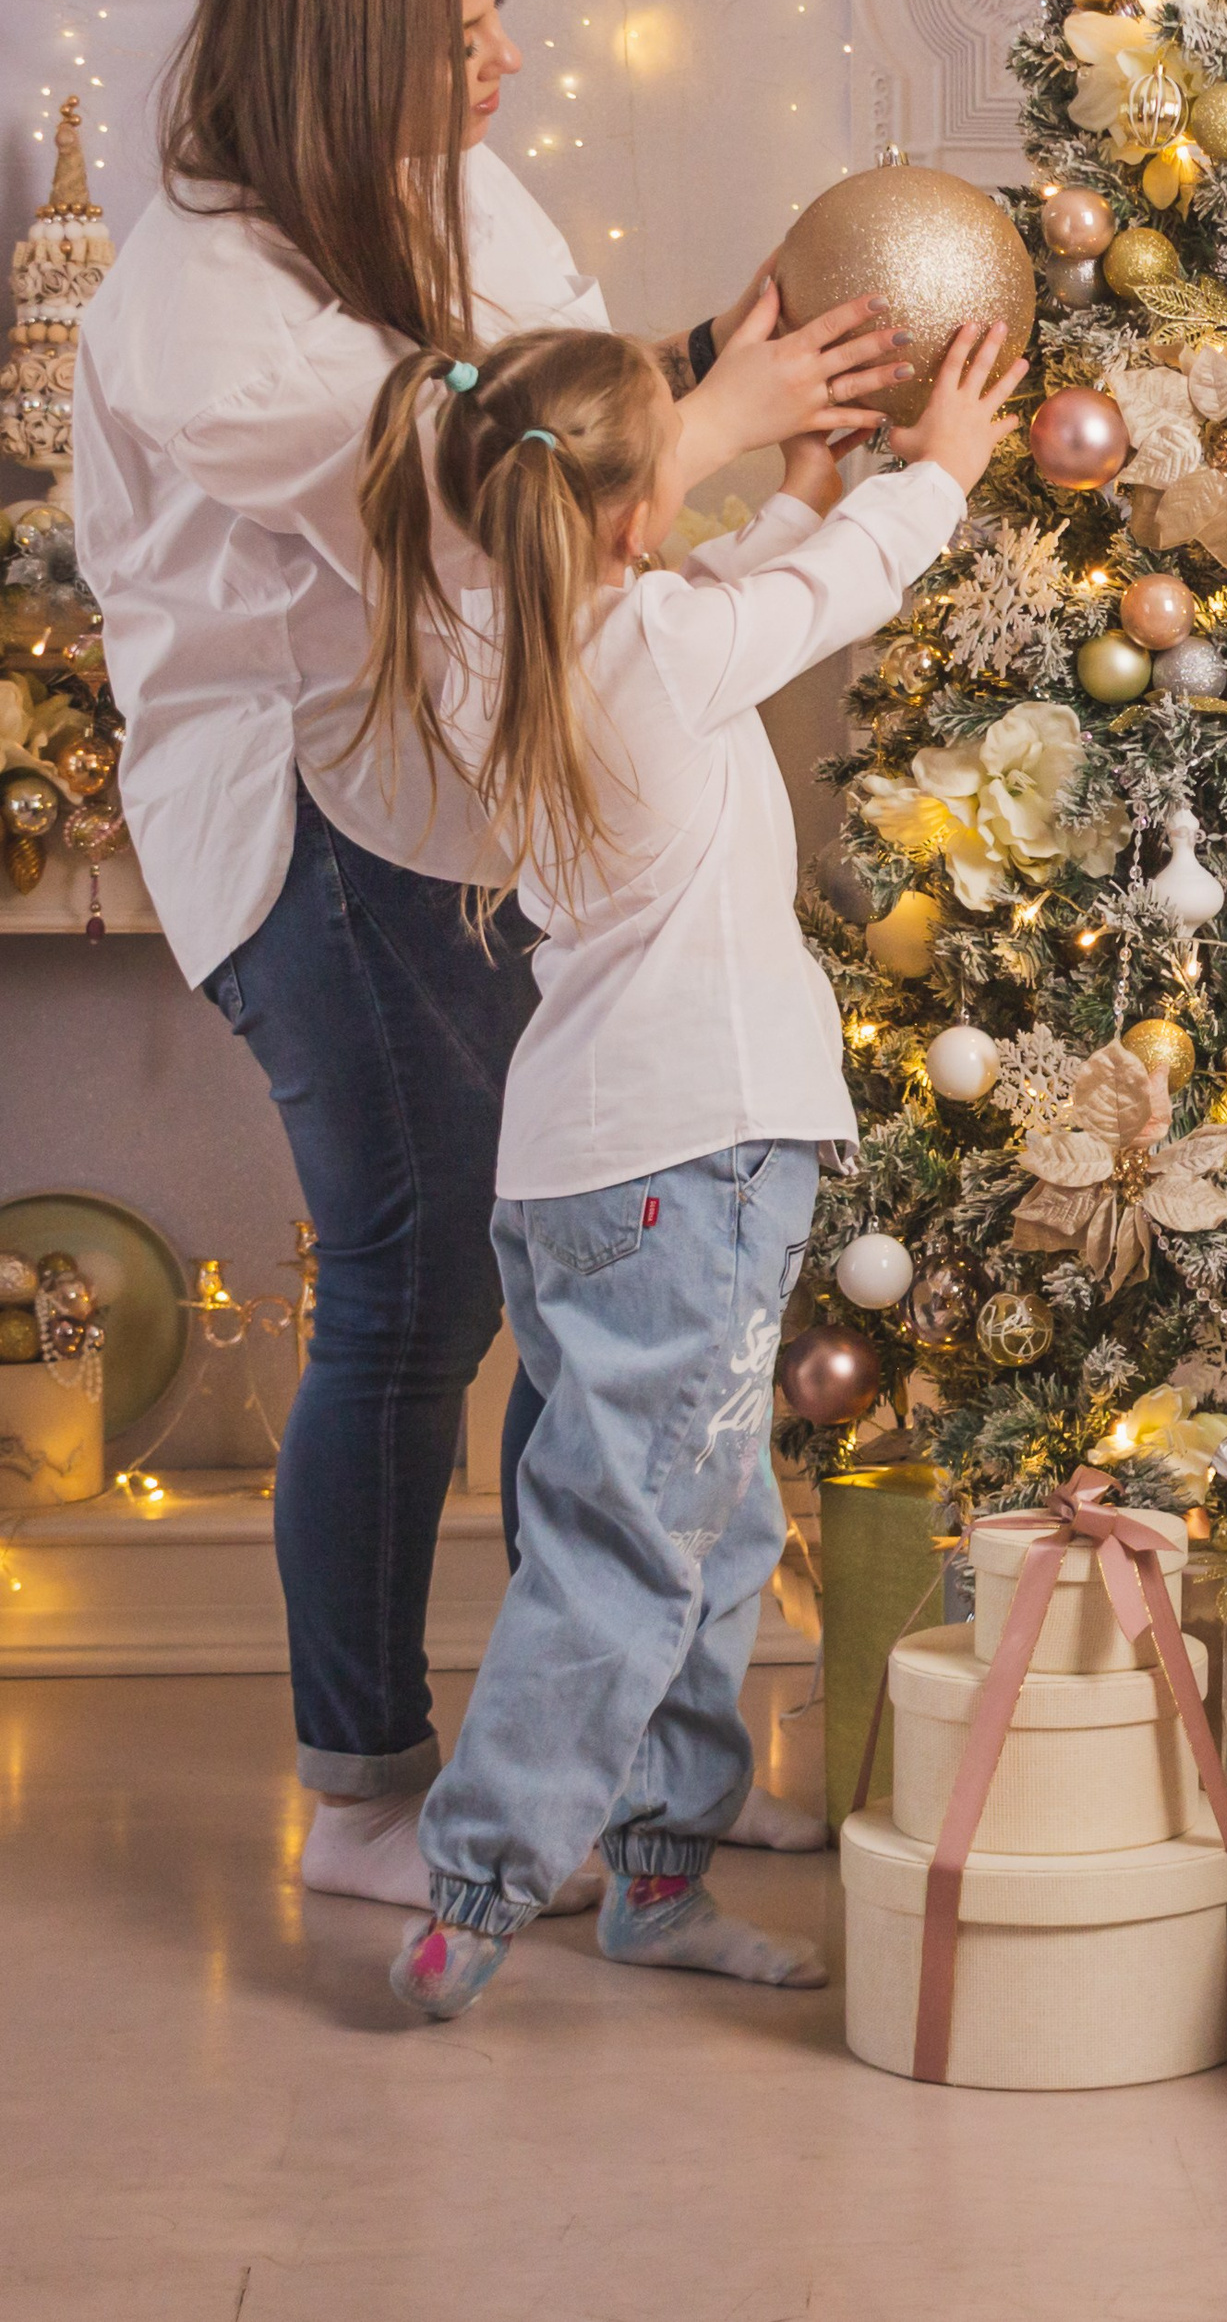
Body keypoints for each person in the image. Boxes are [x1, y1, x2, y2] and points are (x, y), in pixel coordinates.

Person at [73, 0, 902, 1911]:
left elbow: (559, 416)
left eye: (500, 10)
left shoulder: (451, 186)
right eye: (461, 34)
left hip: (470, 787)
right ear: (350, 50)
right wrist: (740, 419)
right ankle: (368, 1792)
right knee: (418, 1285)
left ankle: (611, 1769)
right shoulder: (201, 316)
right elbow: (481, 503)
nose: (506, 57)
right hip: (301, 821)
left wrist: (717, 361)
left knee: (569, 1285)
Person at [351, 313, 1021, 2017]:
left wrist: (796, 490)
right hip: (691, 1164)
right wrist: (936, 470)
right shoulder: (652, 645)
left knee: (704, 1526)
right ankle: (476, 1888)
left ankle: (661, 1873)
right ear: (640, 513)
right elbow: (822, 595)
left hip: (577, 1170)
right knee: (633, 1543)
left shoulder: (500, 641)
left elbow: (733, 597)